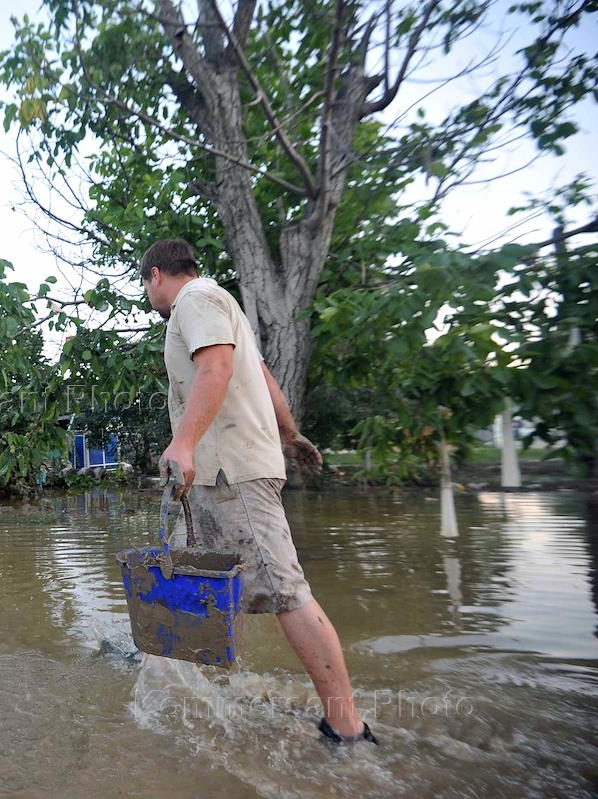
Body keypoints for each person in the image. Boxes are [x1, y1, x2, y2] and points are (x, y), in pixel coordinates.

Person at [141, 239, 376, 747]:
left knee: (288, 593)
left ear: (156, 275)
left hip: (233, 475)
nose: (148, 295)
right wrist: (290, 436)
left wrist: (183, 442)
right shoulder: (225, 309)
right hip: (228, 474)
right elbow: (265, 382)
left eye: (146, 285)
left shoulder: (195, 300)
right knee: (222, 588)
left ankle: (347, 726)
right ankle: (208, 690)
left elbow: (217, 369)